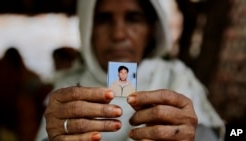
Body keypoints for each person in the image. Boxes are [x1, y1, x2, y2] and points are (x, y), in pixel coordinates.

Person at [36, 0, 225, 141]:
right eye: (104, 20)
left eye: (133, 19)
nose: (118, 34)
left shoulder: (177, 80)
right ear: (88, 29)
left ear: (152, 29)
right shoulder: (68, 90)